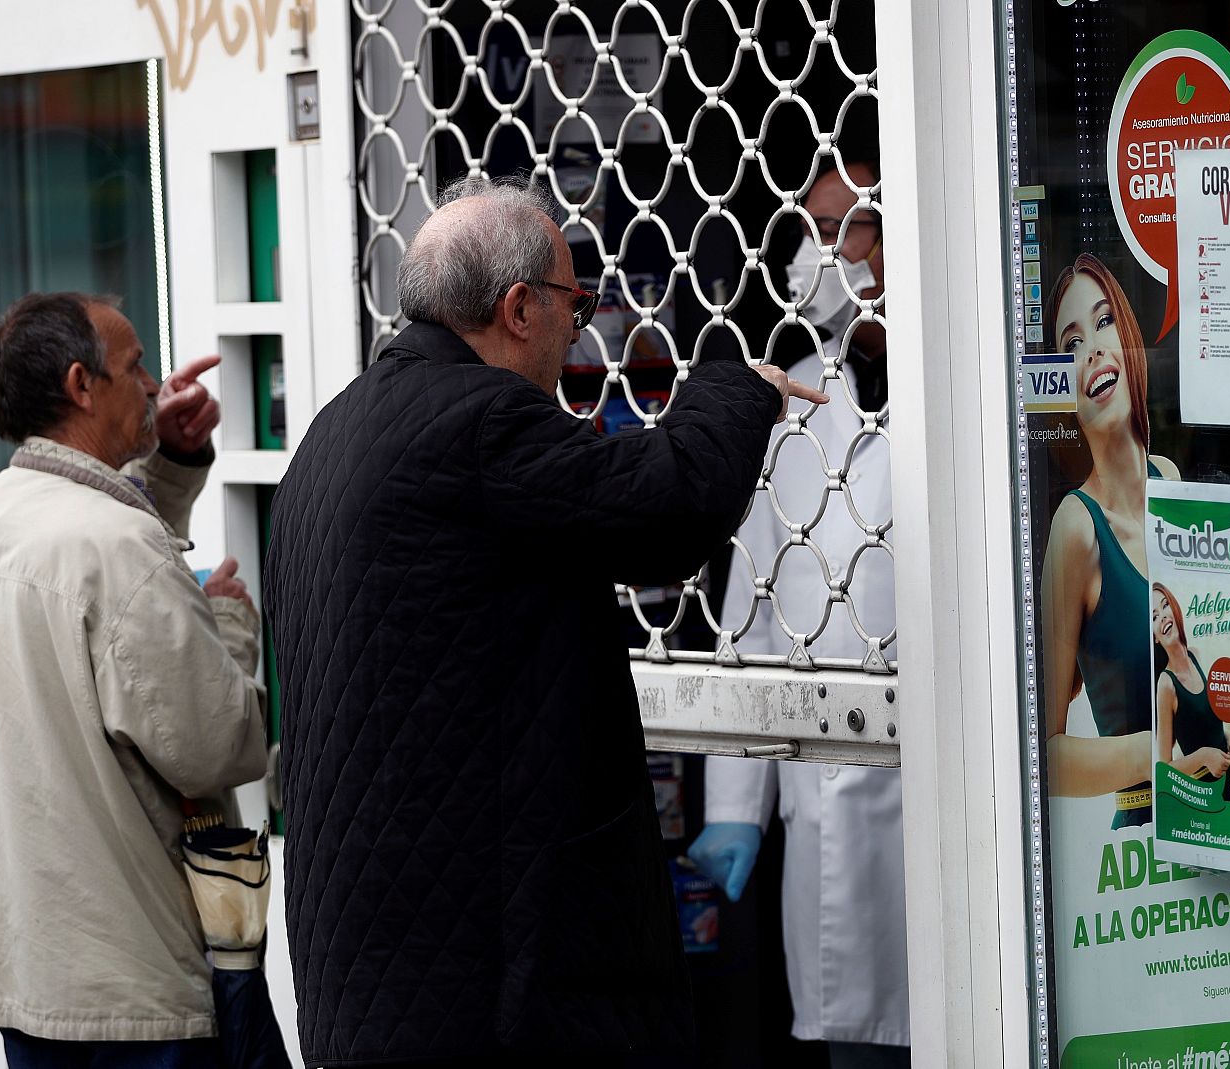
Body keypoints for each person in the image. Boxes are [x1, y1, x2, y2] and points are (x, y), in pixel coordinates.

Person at [264, 175, 826, 1069]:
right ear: (519, 307)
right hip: (488, 982)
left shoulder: (335, 430)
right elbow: (664, 511)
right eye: (578, 300)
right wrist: (736, 389)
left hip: (373, 965)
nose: (582, 325)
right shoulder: (479, 421)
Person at [0, 293, 269, 1067]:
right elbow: (222, 746)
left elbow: (89, 555)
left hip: (34, 973)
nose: (155, 385)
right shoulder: (119, 544)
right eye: (135, 367)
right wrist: (228, 625)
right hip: (139, 987)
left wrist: (172, 461)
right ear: (82, 384)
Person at [688, 161, 909, 1069]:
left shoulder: (965, 370)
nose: (815, 253)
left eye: (840, 229)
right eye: (807, 228)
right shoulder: (793, 398)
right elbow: (753, 604)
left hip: (954, 772)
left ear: (895, 242)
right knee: (860, 1038)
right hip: (831, 778)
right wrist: (736, 799)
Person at [1042, 254, 1181, 827]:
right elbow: (1043, 755)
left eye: (1102, 323)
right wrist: (1153, 754)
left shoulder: (1170, 481)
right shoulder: (1075, 529)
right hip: (1136, 869)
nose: (1093, 349)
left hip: (1215, 819)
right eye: (1071, 343)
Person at [1150, 582, 1230, 797]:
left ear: (1175, 609)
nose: (1162, 616)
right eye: (1154, 617)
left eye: (1165, 606)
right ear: (1154, 636)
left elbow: (1207, 727)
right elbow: (1164, 769)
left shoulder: (1196, 656)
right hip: (1202, 801)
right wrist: (1202, 757)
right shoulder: (1166, 685)